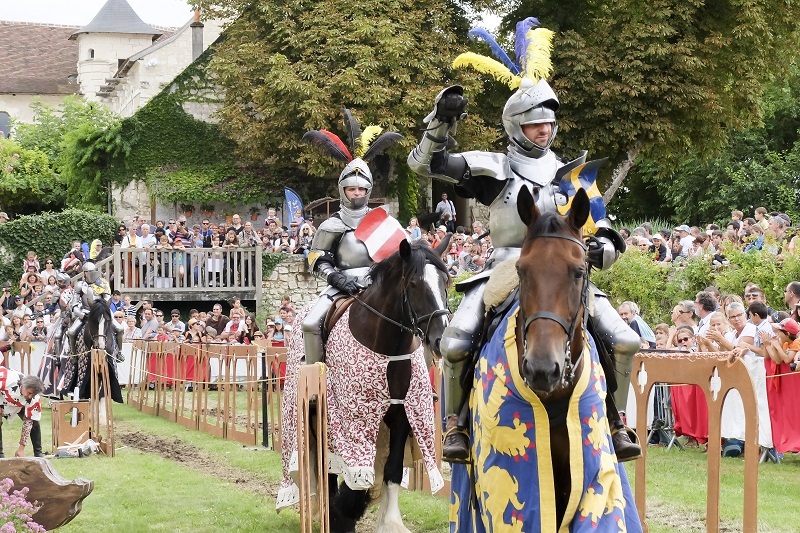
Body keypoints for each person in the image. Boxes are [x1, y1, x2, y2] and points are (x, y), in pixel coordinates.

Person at [407, 21, 639, 462]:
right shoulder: (494, 169)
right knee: (456, 342)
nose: (544, 131)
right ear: (516, 127)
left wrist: (599, 250)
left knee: (624, 340)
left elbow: (605, 231)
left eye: (548, 124)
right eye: (535, 125)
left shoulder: (573, 173)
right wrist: (441, 121)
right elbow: (426, 165)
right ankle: (455, 426)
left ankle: (616, 419)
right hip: (508, 266)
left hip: (568, 270)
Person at [300, 110, 404, 366]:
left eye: (361, 189)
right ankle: (316, 378)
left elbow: (402, 255)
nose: (357, 193)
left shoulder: (385, 222)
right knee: (311, 323)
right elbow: (316, 258)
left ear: (368, 190)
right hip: (342, 285)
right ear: (342, 190)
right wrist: (335, 276)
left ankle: (422, 383)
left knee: (418, 318)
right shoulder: (332, 224)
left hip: (381, 283)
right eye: (352, 188)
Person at [0, 371, 44, 457]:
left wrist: (21, 449)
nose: (30, 396)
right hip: (2, 399)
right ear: (23, 386)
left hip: (21, 404)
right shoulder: (7, 378)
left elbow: (28, 423)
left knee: (34, 421)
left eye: (33, 394)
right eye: (29, 393)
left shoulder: (34, 399)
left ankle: (38, 453)